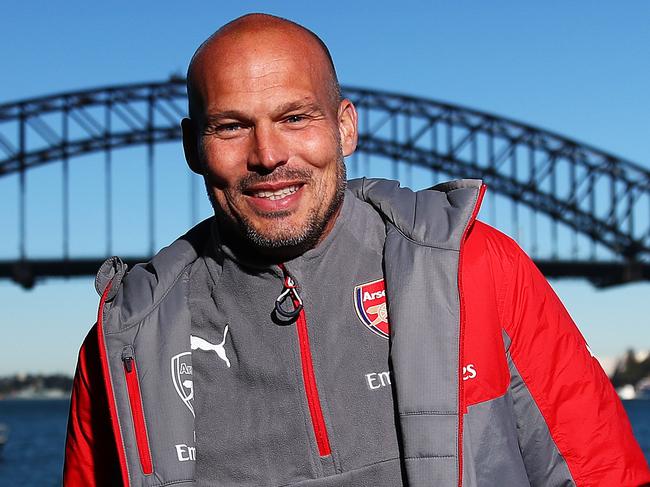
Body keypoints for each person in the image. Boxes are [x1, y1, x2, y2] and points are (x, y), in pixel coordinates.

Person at [63, 13, 650, 487]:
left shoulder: (476, 268)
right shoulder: (129, 338)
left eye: (296, 117)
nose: (268, 155)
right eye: (231, 127)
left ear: (346, 128)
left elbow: (601, 472)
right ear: (193, 147)